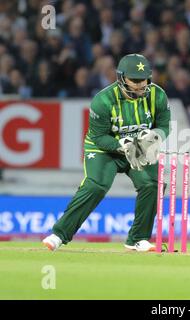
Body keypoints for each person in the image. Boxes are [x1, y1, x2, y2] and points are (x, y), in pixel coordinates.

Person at [42, 54, 171, 252]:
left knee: (153, 184)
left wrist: (154, 136)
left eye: (143, 79)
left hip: (137, 149)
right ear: (121, 78)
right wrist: (122, 145)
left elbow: (164, 125)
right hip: (103, 149)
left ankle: (137, 239)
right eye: (134, 80)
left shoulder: (157, 95)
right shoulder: (102, 100)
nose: (139, 85)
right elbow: (99, 136)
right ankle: (59, 235)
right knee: (96, 186)